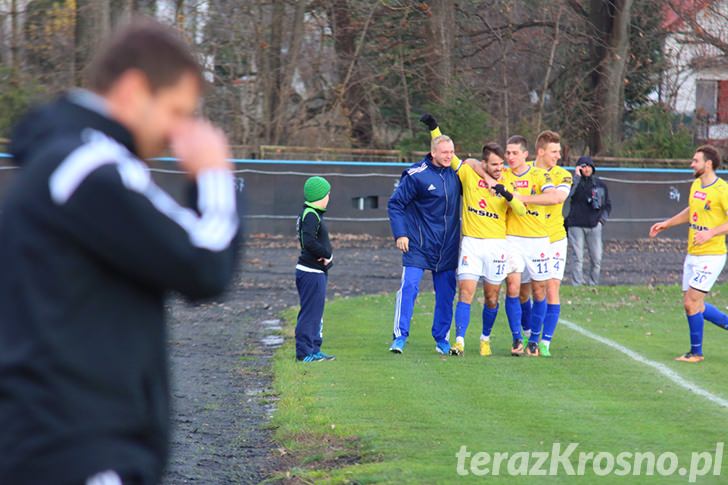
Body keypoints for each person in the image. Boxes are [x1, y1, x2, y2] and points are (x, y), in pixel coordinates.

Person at [0, 19, 240, 485]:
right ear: (133, 90)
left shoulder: (62, 162)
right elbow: (205, 260)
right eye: (175, 110)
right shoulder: (88, 166)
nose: (177, 135)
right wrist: (213, 174)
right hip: (75, 451)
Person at [425, 123, 527, 356]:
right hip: (471, 243)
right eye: (494, 164)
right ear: (484, 164)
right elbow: (450, 155)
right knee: (466, 292)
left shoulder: (508, 181)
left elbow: (521, 210)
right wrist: (434, 129)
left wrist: (506, 193)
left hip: (496, 247)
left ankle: (485, 338)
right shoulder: (470, 174)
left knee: (491, 298)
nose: (499, 168)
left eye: (501, 164)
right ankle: (459, 341)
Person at [387, 117, 461, 355]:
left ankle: (441, 339)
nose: (449, 156)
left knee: (446, 294)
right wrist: (401, 233)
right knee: (409, 287)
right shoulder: (416, 175)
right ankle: (399, 337)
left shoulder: (457, 174)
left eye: (451, 152)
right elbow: (395, 204)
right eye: (444, 152)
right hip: (418, 244)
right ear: (433, 152)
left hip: (447, 246)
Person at [649, 145, 728, 363]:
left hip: (712, 255)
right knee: (695, 304)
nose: (691, 164)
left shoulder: (723, 190)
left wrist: (711, 233)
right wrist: (667, 223)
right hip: (693, 253)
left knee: (691, 303)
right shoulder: (696, 185)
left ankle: (696, 353)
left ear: (708, 164)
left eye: (695, 161)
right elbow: (691, 211)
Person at [517, 131, 572, 357]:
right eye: (554, 152)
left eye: (559, 152)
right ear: (540, 151)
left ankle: (545, 342)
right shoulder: (524, 169)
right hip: (528, 238)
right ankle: (531, 334)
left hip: (554, 239)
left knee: (551, 288)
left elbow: (557, 198)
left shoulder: (564, 175)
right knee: (522, 291)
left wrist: (524, 199)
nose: (558, 156)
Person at [502, 135, 556, 357]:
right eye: (508, 153)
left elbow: (553, 197)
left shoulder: (539, 175)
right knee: (514, 288)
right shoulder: (503, 175)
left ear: (526, 154)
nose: (510, 157)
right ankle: (517, 338)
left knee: (539, 289)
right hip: (512, 239)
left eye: (515, 153)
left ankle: (534, 340)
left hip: (538, 240)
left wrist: (522, 197)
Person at [295, 176, 335, 362]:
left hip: (317, 271)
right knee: (310, 313)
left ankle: (314, 348)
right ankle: (304, 353)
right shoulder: (310, 214)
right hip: (310, 272)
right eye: (327, 193)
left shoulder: (314, 214)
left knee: (316, 313)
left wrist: (327, 258)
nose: (329, 197)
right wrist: (325, 254)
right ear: (320, 195)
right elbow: (308, 242)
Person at [565, 156, 611, 286]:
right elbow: (569, 194)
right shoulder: (574, 183)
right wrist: (577, 178)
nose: (586, 169)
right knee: (577, 257)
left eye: (589, 166)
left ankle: (593, 282)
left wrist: (602, 220)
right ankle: (577, 283)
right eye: (583, 166)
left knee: (596, 258)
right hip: (576, 224)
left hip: (594, 225)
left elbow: (607, 205)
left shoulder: (600, 184)